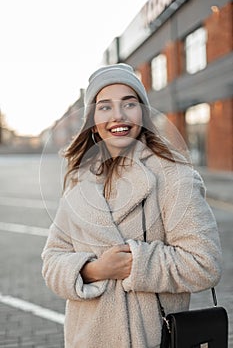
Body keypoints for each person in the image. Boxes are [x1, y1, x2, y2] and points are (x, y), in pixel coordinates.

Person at [41, 63, 222, 348]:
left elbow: (204, 263)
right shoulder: (79, 180)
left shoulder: (174, 175)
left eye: (129, 103)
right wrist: (95, 270)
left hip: (151, 339)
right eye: (105, 107)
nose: (118, 116)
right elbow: (52, 260)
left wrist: (134, 264)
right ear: (92, 119)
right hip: (84, 339)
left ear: (143, 113)